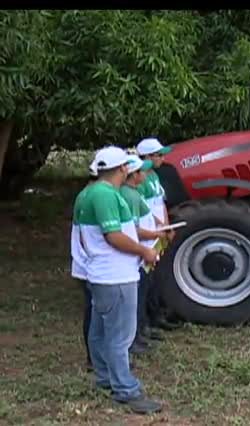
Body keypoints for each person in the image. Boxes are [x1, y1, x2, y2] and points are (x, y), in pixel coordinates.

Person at [76, 146, 161, 414]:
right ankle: (126, 389)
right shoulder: (104, 195)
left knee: (101, 329)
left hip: (103, 275)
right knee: (120, 335)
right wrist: (144, 251)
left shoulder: (92, 192)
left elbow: (123, 229)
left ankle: (104, 377)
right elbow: (114, 235)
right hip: (115, 276)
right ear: (123, 168)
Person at [119, 155, 167, 354]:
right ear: (134, 175)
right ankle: (134, 338)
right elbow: (134, 230)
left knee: (144, 292)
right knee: (138, 296)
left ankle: (141, 332)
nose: (145, 175)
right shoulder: (129, 196)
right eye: (141, 172)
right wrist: (156, 233)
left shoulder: (133, 193)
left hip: (147, 249)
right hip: (140, 253)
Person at [135, 138, 179, 331]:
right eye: (158, 155)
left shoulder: (154, 176)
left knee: (156, 276)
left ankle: (155, 317)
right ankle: (144, 322)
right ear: (146, 157)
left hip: (158, 233)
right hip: (148, 234)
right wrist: (161, 227)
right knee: (145, 279)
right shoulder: (140, 180)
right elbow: (144, 209)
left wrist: (167, 226)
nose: (163, 158)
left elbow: (160, 204)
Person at [70, 163, 99, 370]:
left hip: (88, 265)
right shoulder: (92, 197)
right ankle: (93, 359)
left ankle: (95, 358)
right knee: (93, 312)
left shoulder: (87, 194)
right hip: (89, 266)